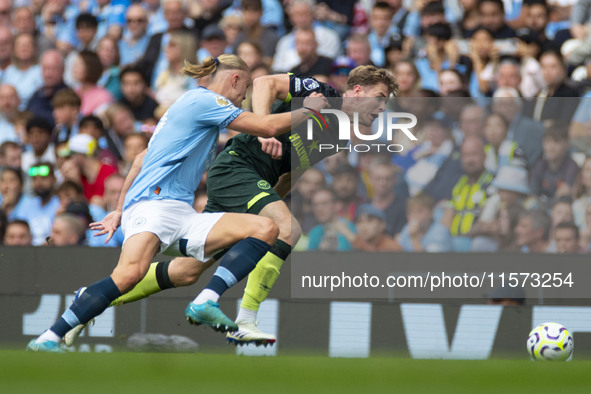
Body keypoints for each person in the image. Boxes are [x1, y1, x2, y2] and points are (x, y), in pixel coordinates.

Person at [65, 65, 398, 348]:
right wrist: (265, 128)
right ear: (356, 91)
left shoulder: (338, 134)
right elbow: (265, 82)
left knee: (187, 271)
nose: (383, 109)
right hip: (238, 167)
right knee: (289, 228)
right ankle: (242, 315)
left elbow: (293, 171)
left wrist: (273, 203)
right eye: (381, 99)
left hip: (250, 183)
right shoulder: (319, 92)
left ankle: (92, 298)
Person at [27, 54, 327, 352]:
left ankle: (206, 299)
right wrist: (309, 110)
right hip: (153, 204)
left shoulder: (192, 115)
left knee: (265, 228)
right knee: (128, 275)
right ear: (234, 79)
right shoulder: (205, 101)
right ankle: (49, 337)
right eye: (244, 88)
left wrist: (118, 210)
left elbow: (139, 160)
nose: (243, 96)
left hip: (181, 213)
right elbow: (267, 127)